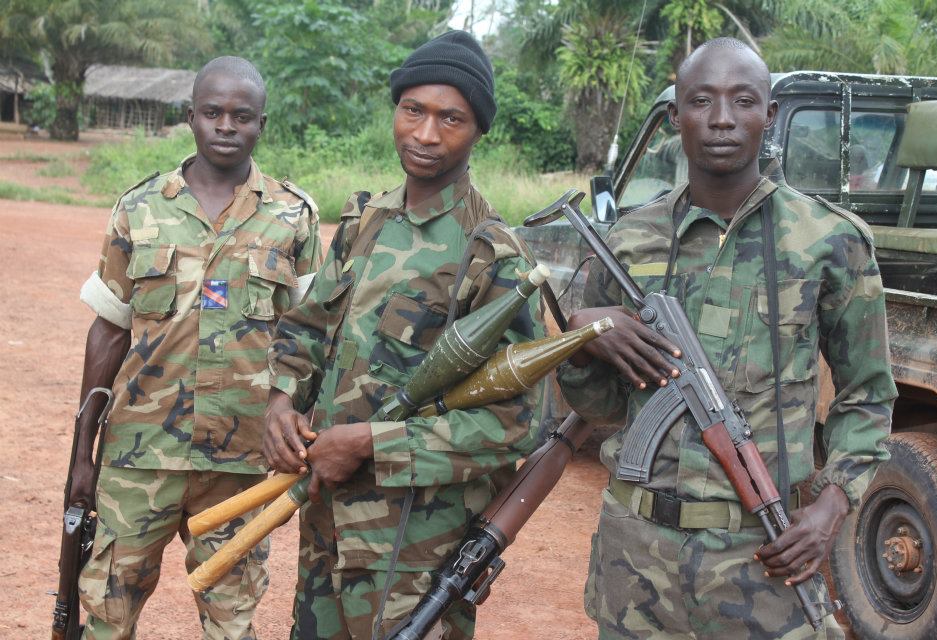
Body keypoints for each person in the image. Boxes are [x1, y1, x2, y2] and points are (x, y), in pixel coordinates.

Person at [558, 38, 897, 639]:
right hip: (638, 558)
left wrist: (832, 505)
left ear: (769, 115)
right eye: (701, 101)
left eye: (743, 101)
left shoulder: (829, 240)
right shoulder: (628, 242)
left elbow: (867, 395)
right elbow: (605, 406)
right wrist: (583, 341)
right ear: (674, 117)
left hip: (761, 559)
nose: (721, 120)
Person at [264, 30, 544, 640]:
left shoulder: (494, 255)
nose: (425, 134)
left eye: (451, 118)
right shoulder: (365, 220)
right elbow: (311, 325)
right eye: (412, 110)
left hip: (414, 549)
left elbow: (513, 426)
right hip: (327, 523)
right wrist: (282, 398)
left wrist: (369, 443)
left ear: (478, 131)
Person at [69, 56, 321, 639]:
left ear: (262, 123)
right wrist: (83, 454)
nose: (226, 126)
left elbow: (313, 334)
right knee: (107, 615)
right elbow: (108, 331)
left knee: (233, 622)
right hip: (140, 456)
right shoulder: (140, 207)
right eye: (212, 113)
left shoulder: (293, 216)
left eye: (242, 115)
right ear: (190, 117)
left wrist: (304, 424)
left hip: (244, 461)